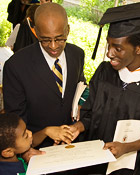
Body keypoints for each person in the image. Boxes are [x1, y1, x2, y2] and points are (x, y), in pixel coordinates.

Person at [70, 1, 140, 175]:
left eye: (118, 48)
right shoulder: (105, 72)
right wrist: (79, 126)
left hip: (129, 169)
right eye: (109, 45)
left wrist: (127, 147)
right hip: (92, 163)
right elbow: (90, 114)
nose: (109, 53)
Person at [3, 2, 86, 149]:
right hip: (36, 148)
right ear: (35, 31)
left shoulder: (77, 54)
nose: (53, 46)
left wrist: (80, 103)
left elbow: (80, 84)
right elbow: (16, 119)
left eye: (60, 39)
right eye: (45, 40)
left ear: (68, 30)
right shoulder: (16, 66)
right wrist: (26, 151)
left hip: (71, 145)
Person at [0, 112, 73, 175]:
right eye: (25, 135)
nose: (30, 133)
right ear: (8, 152)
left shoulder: (16, 157)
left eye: (27, 130)